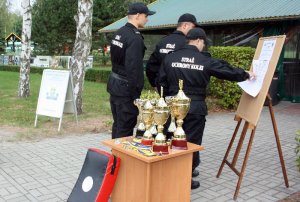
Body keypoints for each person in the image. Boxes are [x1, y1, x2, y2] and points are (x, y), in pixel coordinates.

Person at [158, 28, 256, 189]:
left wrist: (167, 99)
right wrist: (245, 74)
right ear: (198, 40)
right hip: (195, 106)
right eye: (203, 43)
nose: (203, 46)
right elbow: (225, 71)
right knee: (191, 142)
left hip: (172, 105)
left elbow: (160, 82)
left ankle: (170, 172)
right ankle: (185, 179)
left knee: (171, 138)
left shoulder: (170, 57)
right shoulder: (204, 60)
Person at [107, 2, 155, 139]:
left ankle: (115, 157)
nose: (147, 19)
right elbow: (134, 69)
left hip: (115, 85)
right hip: (125, 90)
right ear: (138, 16)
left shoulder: (120, 32)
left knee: (118, 125)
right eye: (146, 16)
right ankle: (120, 159)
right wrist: (136, 94)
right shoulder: (134, 37)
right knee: (125, 127)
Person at [146, 13, 201, 89]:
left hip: (164, 88)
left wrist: (155, 84)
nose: (194, 30)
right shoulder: (189, 43)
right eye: (193, 27)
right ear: (185, 25)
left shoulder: (163, 41)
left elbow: (151, 66)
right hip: (183, 89)